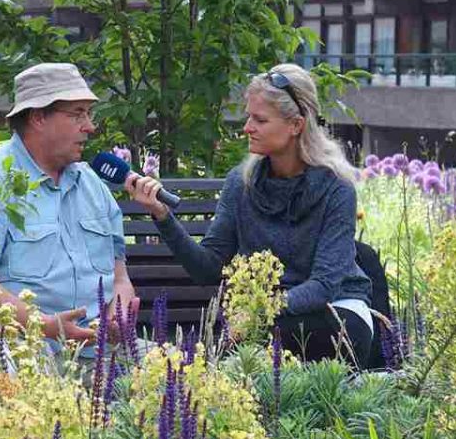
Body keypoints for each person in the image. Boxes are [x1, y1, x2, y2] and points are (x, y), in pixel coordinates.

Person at [125, 63, 373, 366]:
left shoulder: (337, 188)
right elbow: (208, 269)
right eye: (248, 117)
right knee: (255, 340)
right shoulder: (240, 183)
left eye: (259, 119)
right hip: (264, 319)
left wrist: (258, 309)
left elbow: (324, 286)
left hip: (336, 313)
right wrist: (162, 216)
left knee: (263, 337)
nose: (246, 128)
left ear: (296, 125)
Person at [0, 62, 139, 357]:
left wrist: (117, 314)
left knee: (181, 379)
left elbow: (120, 278)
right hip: (19, 348)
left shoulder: (92, 185)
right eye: (77, 114)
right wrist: (45, 325)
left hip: (100, 353)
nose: (90, 126)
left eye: (89, 113)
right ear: (37, 118)